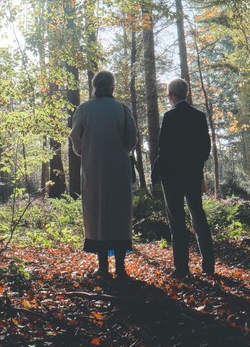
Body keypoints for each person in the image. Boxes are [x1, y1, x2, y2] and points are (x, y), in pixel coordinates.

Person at [70, 70, 138, 281]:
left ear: (94, 86)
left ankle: (102, 267)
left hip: (94, 169)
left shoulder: (84, 109)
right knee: (119, 215)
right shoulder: (121, 109)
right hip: (118, 168)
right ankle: (120, 267)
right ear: (112, 87)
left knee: (97, 214)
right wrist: (123, 149)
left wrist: (84, 151)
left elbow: (75, 137)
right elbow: (132, 138)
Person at [151, 77, 215, 278]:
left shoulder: (169, 117)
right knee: (198, 216)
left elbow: (164, 148)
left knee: (176, 220)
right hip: (193, 173)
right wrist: (197, 166)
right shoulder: (199, 116)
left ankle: (182, 268)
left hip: (172, 175)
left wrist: (158, 170)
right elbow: (205, 147)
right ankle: (209, 264)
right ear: (186, 93)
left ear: (170, 96)